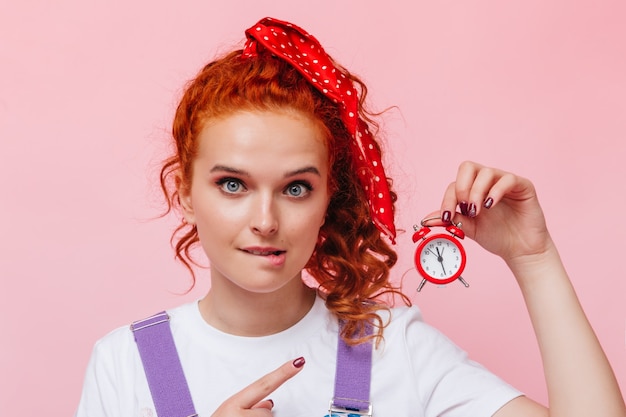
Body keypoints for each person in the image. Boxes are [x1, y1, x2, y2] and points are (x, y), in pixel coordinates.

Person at [75, 17, 625, 417]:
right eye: (233, 184)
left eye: (295, 187)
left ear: (328, 199)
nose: (265, 219)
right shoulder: (128, 365)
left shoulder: (392, 348)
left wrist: (534, 259)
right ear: (186, 191)